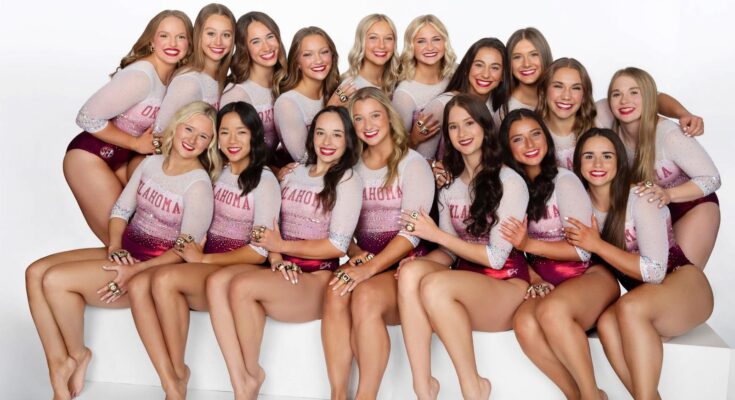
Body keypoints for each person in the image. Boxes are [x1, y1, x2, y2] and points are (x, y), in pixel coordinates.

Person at [26, 101, 218, 400]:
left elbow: (185, 249)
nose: (192, 139)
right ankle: (64, 359)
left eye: (203, 136)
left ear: (210, 144)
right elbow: (121, 210)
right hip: (126, 251)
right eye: (189, 129)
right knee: (35, 271)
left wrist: (137, 270)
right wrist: (115, 245)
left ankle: (75, 355)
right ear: (176, 126)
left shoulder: (198, 184)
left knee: (55, 281)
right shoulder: (151, 164)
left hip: (153, 267)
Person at [127, 101, 280, 399]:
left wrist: (204, 258)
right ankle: (174, 375)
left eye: (241, 132)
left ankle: (185, 374)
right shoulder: (213, 172)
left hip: (240, 266)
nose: (232, 140)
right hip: (204, 265)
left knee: (165, 280)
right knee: (147, 282)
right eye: (225, 132)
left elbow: (259, 251)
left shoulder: (265, 181)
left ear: (255, 136)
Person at [215, 105, 363, 399]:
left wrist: (281, 247)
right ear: (311, 136)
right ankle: (244, 380)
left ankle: (249, 380)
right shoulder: (294, 173)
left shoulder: (347, 179)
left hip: (317, 276)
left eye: (336, 135)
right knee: (219, 282)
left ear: (348, 139)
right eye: (320, 133)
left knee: (242, 287)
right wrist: (276, 258)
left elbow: (337, 245)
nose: (327, 142)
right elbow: (273, 227)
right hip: (284, 269)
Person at [396, 94, 530, 400]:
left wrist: (435, 235)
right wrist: (422, 262)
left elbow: (496, 258)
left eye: (469, 123)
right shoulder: (450, 185)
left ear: (485, 127)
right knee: (411, 273)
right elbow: (450, 252)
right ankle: (423, 387)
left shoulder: (510, 182)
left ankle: (473, 386)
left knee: (435, 286)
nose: (462, 133)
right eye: (454, 127)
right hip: (466, 282)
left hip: (506, 285)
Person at [565, 128, 714, 400]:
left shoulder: (642, 198)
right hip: (647, 298)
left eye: (607, 156)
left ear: (620, 162)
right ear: (578, 163)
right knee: (607, 323)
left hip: (684, 285)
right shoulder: (580, 207)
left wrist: (597, 244)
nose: (597, 164)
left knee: (629, 308)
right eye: (589, 156)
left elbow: (654, 272)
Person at [498, 110, 619, 400]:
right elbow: (509, 247)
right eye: (518, 139)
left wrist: (529, 244)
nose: (530, 144)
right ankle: (577, 395)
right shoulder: (510, 187)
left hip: (588, 275)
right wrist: (534, 276)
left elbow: (582, 250)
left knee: (552, 312)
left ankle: (591, 395)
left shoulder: (565, 181)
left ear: (546, 138)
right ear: (507, 147)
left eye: (535, 134)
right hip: (547, 283)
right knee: (524, 324)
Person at [322, 87, 434, 399]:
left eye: (374, 115)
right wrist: (356, 253)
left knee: (365, 296)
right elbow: (342, 227)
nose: (368, 125)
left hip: (405, 264)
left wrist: (368, 269)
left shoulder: (412, 164)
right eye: (358, 119)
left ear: (389, 116)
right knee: (335, 290)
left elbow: (412, 233)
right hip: (368, 260)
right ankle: (338, 393)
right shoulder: (350, 166)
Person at [64, 10, 192, 244]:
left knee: (144, 239)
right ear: (152, 41)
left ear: (189, 43)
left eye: (180, 37)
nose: (172, 44)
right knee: (122, 244)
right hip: (89, 157)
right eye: (164, 36)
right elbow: (86, 116)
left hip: (123, 160)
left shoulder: (176, 78)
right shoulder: (141, 75)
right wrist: (135, 143)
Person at [605, 67, 720, 268]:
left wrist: (668, 194)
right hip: (653, 211)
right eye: (617, 94)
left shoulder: (669, 135)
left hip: (692, 206)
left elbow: (712, 178)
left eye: (634, 92)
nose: (624, 101)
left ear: (649, 97)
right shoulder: (611, 134)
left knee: (682, 277)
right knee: (657, 277)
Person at [219, 11, 288, 152]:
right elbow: (231, 151)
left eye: (270, 37)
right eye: (256, 41)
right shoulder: (237, 94)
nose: (267, 47)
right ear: (244, 48)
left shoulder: (283, 81)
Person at [273, 26, 340, 164]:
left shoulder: (337, 91)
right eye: (308, 55)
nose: (319, 60)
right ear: (297, 62)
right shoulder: (287, 103)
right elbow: (304, 158)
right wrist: (331, 108)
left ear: (332, 56)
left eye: (324, 52)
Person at [392, 15, 456, 159]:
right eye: (421, 41)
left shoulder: (455, 75)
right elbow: (395, 153)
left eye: (436, 39)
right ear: (411, 46)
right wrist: (414, 139)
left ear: (445, 42)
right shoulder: (404, 94)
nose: (430, 47)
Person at [339, 14, 401, 96]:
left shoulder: (396, 83)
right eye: (373, 38)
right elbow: (334, 103)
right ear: (361, 42)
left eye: (388, 38)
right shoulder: (348, 87)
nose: (381, 45)